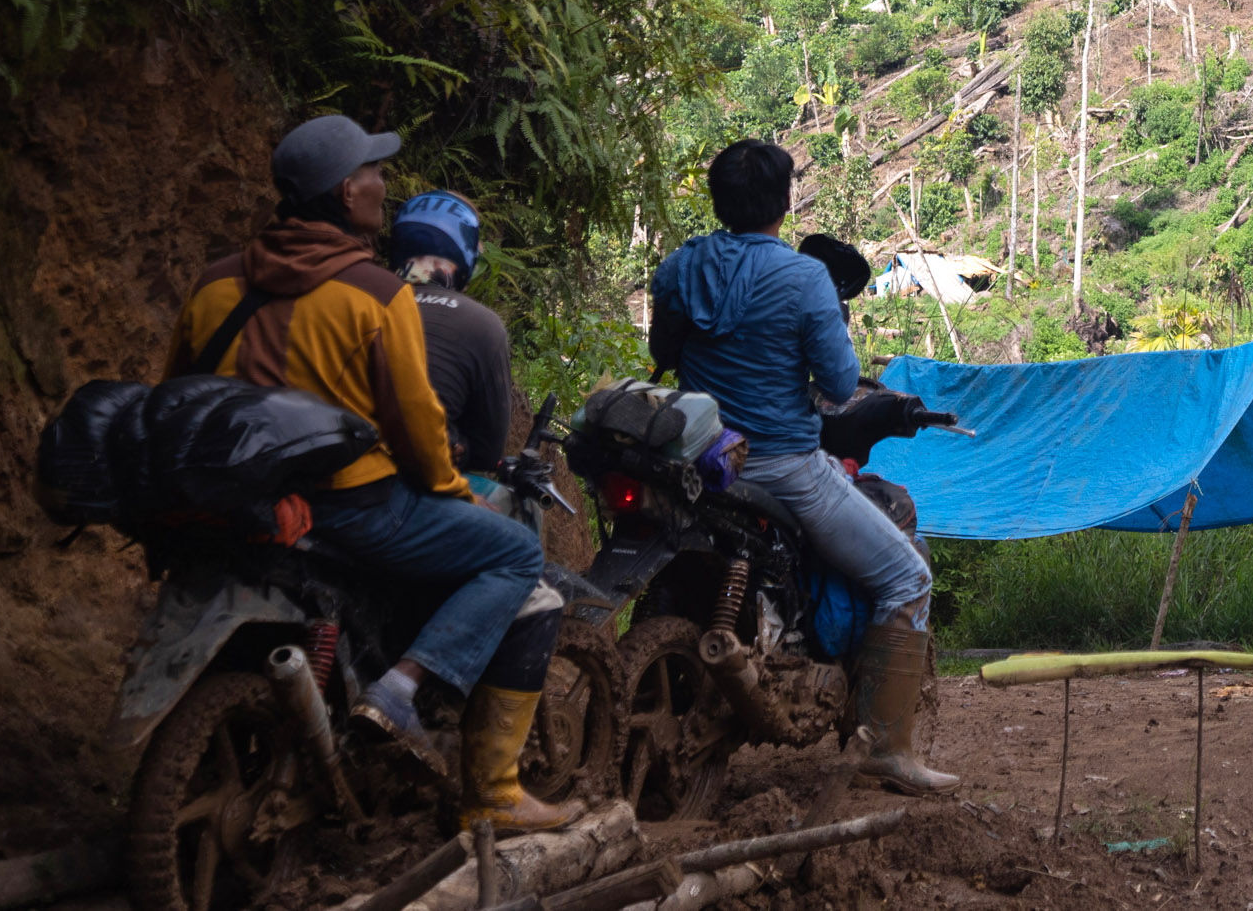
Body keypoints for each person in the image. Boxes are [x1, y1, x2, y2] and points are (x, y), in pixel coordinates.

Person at [169, 115, 583, 833]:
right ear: (345, 191)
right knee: (515, 551)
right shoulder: (370, 295)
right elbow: (418, 428)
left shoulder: (213, 284)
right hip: (349, 508)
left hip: (231, 505)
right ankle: (415, 705)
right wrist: (453, 490)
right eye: (373, 174)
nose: (383, 187)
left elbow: (176, 394)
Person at [647, 139, 956, 794]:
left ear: (718, 199)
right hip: (783, 466)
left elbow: (663, 349)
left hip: (698, 462)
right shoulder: (806, 278)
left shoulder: (681, 266)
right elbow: (842, 381)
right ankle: (887, 749)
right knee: (907, 575)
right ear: (785, 204)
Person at [390, 190, 513, 492]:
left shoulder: (362, 301)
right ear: (465, 255)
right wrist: (458, 445)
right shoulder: (482, 324)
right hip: (412, 486)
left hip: (337, 476)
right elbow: (488, 452)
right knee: (519, 533)